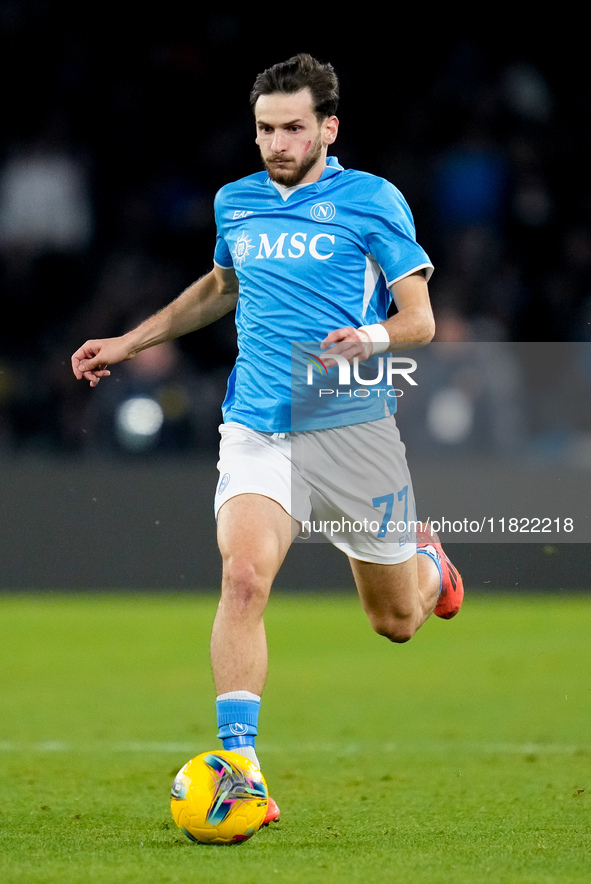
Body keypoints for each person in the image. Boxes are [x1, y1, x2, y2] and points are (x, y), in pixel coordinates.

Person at [71, 53, 464, 825]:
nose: (277, 143)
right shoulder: (236, 202)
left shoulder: (372, 200)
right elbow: (221, 287)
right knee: (243, 577)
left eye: (292, 128)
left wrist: (373, 337)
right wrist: (130, 341)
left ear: (328, 127)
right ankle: (240, 768)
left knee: (395, 622)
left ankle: (428, 563)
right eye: (264, 129)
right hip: (257, 424)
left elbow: (419, 318)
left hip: (352, 430)